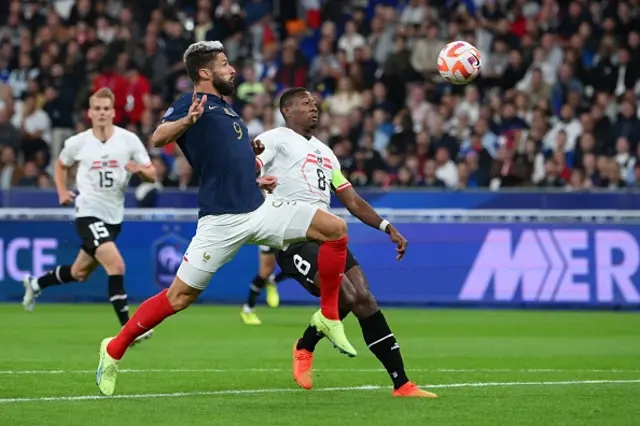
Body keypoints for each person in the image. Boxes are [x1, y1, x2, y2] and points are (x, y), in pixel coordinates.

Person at [95, 41, 356, 396]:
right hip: (221, 220)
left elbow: (228, 160)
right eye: (225, 64)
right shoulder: (192, 103)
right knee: (178, 298)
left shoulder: (226, 108)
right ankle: (113, 350)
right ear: (205, 73)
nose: (232, 69)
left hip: (259, 208)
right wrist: (187, 120)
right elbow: (157, 138)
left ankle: (328, 316)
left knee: (335, 229)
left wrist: (254, 177)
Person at [256, 87, 437, 398]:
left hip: (328, 234)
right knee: (348, 296)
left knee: (364, 298)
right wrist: (256, 177)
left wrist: (387, 227)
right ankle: (305, 345)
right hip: (293, 236)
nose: (313, 107)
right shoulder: (274, 138)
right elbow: (251, 162)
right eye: (305, 103)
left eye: (314, 103)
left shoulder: (326, 153)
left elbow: (352, 200)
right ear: (287, 111)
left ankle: (402, 384)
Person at [21, 88, 157, 346]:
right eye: (98, 109)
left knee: (79, 272)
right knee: (116, 265)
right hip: (88, 212)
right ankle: (130, 330)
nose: (102, 113)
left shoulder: (128, 140)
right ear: (90, 113)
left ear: (113, 112)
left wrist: (140, 170)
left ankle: (36, 283)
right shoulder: (78, 142)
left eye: (107, 108)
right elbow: (61, 165)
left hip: (113, 218)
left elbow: (152, 174)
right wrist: (61, 191)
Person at [240, 245, 289, 325]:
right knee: (265, 272)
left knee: (293, 265)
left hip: (291, 235)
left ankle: (273, 281)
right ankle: (248, 310)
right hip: (269, 235)